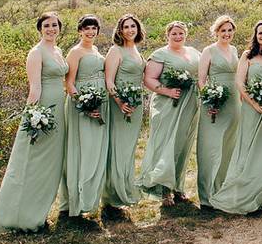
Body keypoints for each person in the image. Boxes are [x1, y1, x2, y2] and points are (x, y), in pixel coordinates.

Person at [0, 12, 68, 233]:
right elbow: (34, 88)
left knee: (51, 166)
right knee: (32, 164)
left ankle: (39, 213)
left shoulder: (58, 51)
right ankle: (21, 217)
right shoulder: (36, 53)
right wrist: (33, 116)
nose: (51, 29)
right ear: (40, 29)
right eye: (46, 25)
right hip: (44, 111)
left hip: (60, 111)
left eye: (54, 25)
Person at [212, 21, 262, 215]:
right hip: (251, 110)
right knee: (246, 151)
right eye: (260, 33)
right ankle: (238, 194)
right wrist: (254, 104)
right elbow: (240, 83)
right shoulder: (247, 55)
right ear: (255, 35)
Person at [138, 21, 201, 206]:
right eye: (174, 33)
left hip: (190, 104)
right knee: (166, 144)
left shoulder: (193, 52)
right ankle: (162, 189)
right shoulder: (160, 54)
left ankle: (178, 188)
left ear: (186, 34)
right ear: (168, 35)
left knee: (183, 144)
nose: (178, 36)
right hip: (168, 104)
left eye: (181, 33)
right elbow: (148, 79)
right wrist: (168, 91)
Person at [58, 14, 109, 223]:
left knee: (95, 150)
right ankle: (73, 205)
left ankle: (89, 200)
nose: (90, 32)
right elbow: (69, 83)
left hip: (99, 102)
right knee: (81, 150)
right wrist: (84, 106)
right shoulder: (75, 51)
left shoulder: (95, 50)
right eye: (86, 29)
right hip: (82, 106)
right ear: (80, 31)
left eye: (94, 29)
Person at [102, 14, 147, 219]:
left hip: (135, 105)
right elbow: (109, 81)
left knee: (128, 149)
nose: (130, 30)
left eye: (133, 26)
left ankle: (124, 190)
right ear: (119, 30)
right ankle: (112, 196)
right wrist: (120, 102)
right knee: (118, 147)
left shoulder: (136, 50)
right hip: (120, 105)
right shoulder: (115, 50)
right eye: (126, 27)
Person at [196, 15, 242, 209]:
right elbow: (201, 80)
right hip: (214, 104)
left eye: (230, 30)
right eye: (223, 30)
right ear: (216, 32)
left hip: (233, 103)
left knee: (228, 147)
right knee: (211, 148)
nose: (227, 34)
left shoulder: (234, 50)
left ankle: (222, 190)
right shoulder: (208, 51)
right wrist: (210, 100)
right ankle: (207, 196)